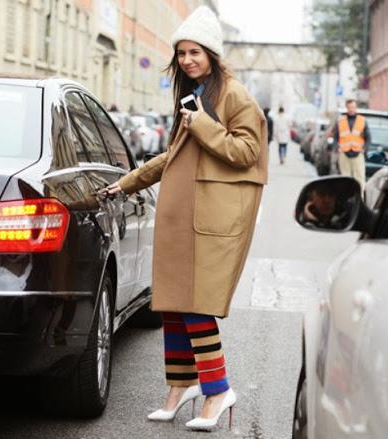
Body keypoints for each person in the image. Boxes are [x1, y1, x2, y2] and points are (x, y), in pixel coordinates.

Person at [103, 5, 267, 432]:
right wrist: (128, 182)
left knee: (197, 305)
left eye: (195, 52)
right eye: (182, 53)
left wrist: (203, 126)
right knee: (174, 305)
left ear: (212, 53)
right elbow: (174, 154)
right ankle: (180, 386)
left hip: (211, 219)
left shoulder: (234, 95)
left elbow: (248, 153)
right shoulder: (196, 95)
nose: (188, 60)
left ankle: (217, 389)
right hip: (182, 216)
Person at [334, 99, 371, 193]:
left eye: (353, 107)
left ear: (356, 108)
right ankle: (346, 198)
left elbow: (368, 137)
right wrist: (337, 148)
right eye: (349, 107)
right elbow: (336, 136)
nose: (351, 109)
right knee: (345, 178)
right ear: (347, 108)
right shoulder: (341, 121)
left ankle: (360, 199)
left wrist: (365, 149)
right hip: (344, 153)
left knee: (359, 178)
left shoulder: (362, 120)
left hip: (358, 153)